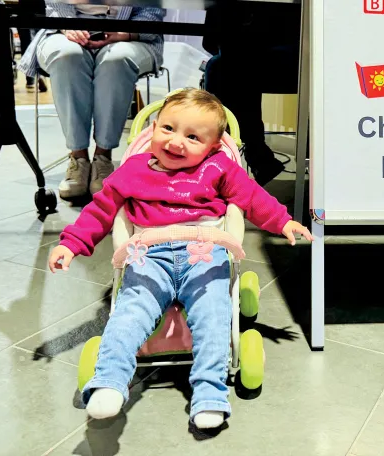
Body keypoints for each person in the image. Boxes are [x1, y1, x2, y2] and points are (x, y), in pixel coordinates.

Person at [47, 89, 313, 429]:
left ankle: (210, 392)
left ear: (213, 146)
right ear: (153, 128)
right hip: (147, 254)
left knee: (212, 314)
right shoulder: (133, 169)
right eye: (168, 129)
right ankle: (110, 381)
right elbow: (101, 210)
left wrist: (283, 221)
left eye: (193, 137)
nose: (176, 142)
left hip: (205, 251)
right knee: (131, 311)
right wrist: (71, 243)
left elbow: (252, 197)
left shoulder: (219, 167)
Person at [19, 4, 165, 200]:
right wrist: (69, 26)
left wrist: (124, 33)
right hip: (67, 28)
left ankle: (103, 157)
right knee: (67, 55)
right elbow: (56, 4)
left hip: (131, 32)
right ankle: (78, 157)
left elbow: (152, 10)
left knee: (117, 60)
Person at [202, 2, 301, 186]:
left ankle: (231, 157)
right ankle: (246, 156)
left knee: (229, 65)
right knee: (228, 64)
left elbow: (211, 41)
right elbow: (211, 40)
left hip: (300, 54)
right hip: (252, 57)